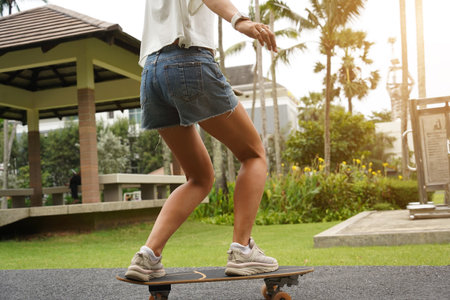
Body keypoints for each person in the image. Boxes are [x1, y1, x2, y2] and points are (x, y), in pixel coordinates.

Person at [125, 0, 279, 281]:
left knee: (198, 178)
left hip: (151, 75)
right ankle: (242, 250)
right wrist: (240, 20)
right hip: (188, 61)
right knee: (253, 155)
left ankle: (148, 256)